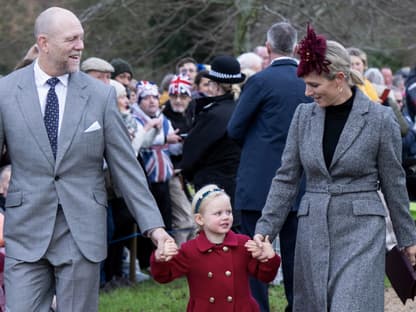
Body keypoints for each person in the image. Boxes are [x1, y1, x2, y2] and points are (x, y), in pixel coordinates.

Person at [0, 7, 172, 311]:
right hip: (25, 232)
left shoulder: (100, 96)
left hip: (81, 232)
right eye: (72, 39)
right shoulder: (6, 91)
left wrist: (154, 228)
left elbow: (126, 169)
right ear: (44, 42)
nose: (80, 45)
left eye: (82, 37)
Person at [253, 24, 416, 312]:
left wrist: (408, 240)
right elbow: (286, 178)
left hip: (362, 231)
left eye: (314, 85)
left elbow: (394, 183)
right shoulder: (303, 116)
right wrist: (266, 229)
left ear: (339, 78)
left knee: (349, 305)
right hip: (312, 227)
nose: (307, 92)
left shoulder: (380, 119)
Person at [227, 22, 310, 312]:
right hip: (300, 186)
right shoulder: (308, 82)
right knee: (294, 260)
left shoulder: (260, 82)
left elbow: (235, 128)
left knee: (254, 259)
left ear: (269, 48)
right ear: (297, 48)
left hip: (260, 183)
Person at [150, 184, 280, 312]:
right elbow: (164, 276)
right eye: (218, 213)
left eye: (228, 212)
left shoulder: (243, 244)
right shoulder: (190, 250)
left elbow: (265, 276)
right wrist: (160, 258)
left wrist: (268, 258)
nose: (225, 217)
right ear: (200, 219)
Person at [181, 55, 244, 229]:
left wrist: (188, 173)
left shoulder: (215, 114)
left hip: (214, 186)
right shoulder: (240, 108)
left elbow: (192, 151)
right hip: (237, 183)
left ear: (215, 84)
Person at [162, 74, 195, 244]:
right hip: (171, 174)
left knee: (195, 220)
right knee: (185, 220)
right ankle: (179, 260)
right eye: (174, 96)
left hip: (188, 174)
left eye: (183, 96)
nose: (178, 101)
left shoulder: (191, 114)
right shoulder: (163, 117)